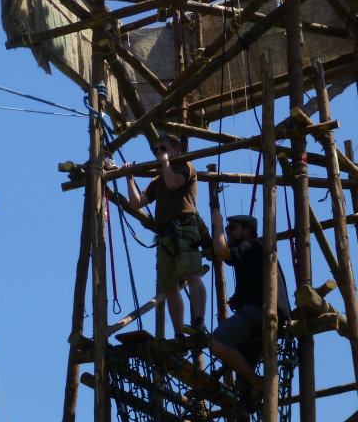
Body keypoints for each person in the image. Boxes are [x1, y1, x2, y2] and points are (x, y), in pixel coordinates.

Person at [125, 134, 207, 336]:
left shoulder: (185, 166)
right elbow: (136, 203)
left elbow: (173, 184)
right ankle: (179, 333)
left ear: (176, 149)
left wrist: (165, 163)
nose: (159, 152)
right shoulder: (158, 180)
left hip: (184, 229)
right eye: (156, 150)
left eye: (163, 148)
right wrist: (129, 177)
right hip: (165, 236)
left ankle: (198, 322)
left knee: (191, 274)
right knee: (169, 287)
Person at [208, 210, 291, 402]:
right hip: (266, 312)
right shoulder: (257, 250)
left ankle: (257, 383)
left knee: (217, 342)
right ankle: (248, 397)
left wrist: (218, 224)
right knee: (243, 369)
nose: (228, 232)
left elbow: (222, 252)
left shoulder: (250, 246)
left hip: (260, 311)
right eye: (227, 228)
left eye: (232, 228)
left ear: (247, 231)